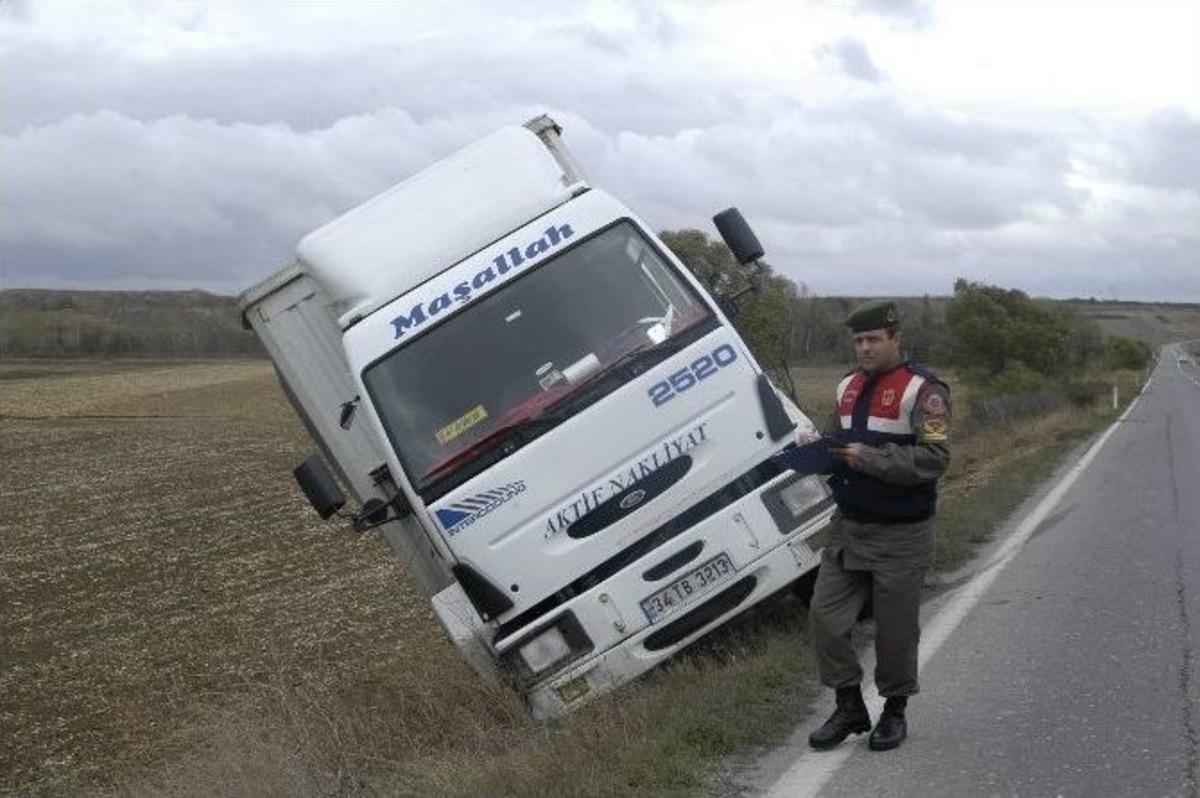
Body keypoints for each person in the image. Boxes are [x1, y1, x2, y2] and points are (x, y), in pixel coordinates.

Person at [804, 299, 951, 752]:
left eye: (872, 339)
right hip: (849, 526)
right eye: (858, 341)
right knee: (825, 619)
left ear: (894, 337)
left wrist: (868, 458)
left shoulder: (925, 391)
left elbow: (934, 459)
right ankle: (849, 706)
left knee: (895, 631)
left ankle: (894, 712)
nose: (864, 348)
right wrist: (815, 447)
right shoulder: (847, 385)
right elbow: (838, 443)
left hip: (902, 532)